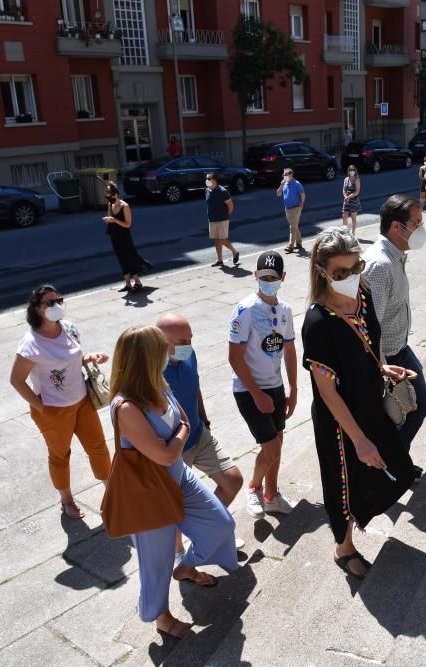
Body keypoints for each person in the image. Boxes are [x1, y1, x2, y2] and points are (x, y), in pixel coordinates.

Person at [301, 227, 417, 579]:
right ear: (321, 271)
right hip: (340, 420)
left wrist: (380, 368)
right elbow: (327, 392)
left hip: (371, 401)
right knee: (343, 481)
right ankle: (344, 546)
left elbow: (363, 345)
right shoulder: (317, 323)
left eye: (357, 267)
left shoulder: (363, 295)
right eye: (341, 272)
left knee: (400, 467)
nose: (352, 277)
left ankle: (361, 516)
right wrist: (359, 439)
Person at [111, 325, 237, 639]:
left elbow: (182, 422)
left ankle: (184, 568)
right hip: (149, 493)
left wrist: (176, 439)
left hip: (179, 478)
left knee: (220, 524)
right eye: (163, 349)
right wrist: (179, 437)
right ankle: (161, 618)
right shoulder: (126, 407)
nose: (170, 353)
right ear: (147, 358)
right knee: (156, 561)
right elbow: (166, 452)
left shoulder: (159, 382)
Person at [9, 284, 112, 519]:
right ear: (36, 309)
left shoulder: (70, 328)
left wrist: (90, 357)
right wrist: (41, 408)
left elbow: (75, 358)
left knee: (98, 448)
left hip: (83, 401)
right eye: (50, 302)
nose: (56, 306)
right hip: (54, 410)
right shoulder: (31, 344)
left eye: (59, 300)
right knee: (60, 455)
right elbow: (16, 380)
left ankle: (112, 490)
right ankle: (66, 500)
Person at [159, 312, 247, 556]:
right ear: (162, 342)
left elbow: (195, 387)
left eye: (190, 339)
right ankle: (179, 553)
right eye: (182, 342)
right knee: (174, 506)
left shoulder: (189, 355)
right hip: (173, 449)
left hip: (198, 434)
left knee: (232, 480)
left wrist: (204, 419)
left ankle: (210, 531)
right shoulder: (151, 371)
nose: (189, 346)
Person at [228, 251, 299, 520]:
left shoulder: (285, 310)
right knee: (272, 447)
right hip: (249, 390)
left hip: (275, 387)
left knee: (278, 440)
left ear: (283, 278)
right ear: (255, 276)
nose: (269, 281)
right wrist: (256, 394)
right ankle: (254, 488)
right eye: (264, 277)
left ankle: (272, 495)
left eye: (274, 277)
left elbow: (290, 351)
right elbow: (234, 357)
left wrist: (293, 390)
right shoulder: (245, 310)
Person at [363, 194, 426, 458]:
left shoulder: (395, 257)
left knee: (415, 407)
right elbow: (370, 327)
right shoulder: (380, 265)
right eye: (416, 223)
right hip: (390, 357)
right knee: (411, 408)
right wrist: (382, 367)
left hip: (400, 348)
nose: (420, 230)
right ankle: (392, 462)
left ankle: (394, 460)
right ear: (396, 226)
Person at [103, 181, 150, 292]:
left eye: (109, 196)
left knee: (130, 258)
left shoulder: (125, 206)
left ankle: (138, 282)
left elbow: (128, 224)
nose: (108, 199)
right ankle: (128, 284)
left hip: (124, 236)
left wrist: (114, 220)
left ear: (115, 194)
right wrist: (108, 219)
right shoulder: (110, 204)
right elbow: (110, 218)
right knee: (121, 259)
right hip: (114, 235)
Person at [205, 173, 240, 268]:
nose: (207, 180)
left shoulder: (223, 192)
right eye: (206, 178)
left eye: (209, 178)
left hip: (222, 220)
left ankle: (234, 252)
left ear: (214, 180)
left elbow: (230, 205)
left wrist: (226, 216)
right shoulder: (207, 191)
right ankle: (220, 260)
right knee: (217, 240)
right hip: (212, 219)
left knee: (221, 239)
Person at [277, 168, 306, 254]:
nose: (285, 177)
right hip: (287, 208)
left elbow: (303, 195)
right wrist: (281, 185)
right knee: (294, 226)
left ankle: (290, 246)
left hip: (296, 208)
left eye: (286, 175)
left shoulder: (297, 184)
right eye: (284, 175)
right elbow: (278, 194)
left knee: (292, 228)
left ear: (291, 175)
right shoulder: (284, 184)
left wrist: (301, 205)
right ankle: (299, 243)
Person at [341, 166, 362, 234]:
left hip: (354, 200)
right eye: (350, 170)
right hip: (346, 200)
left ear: (355, 171)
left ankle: (353, 233)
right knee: (344, 216)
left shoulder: (356, 180)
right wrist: (345, 196)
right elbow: (344, 189)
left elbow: (357, 191)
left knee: (353, 217)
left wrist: (349, 197)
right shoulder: (346, 179)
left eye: (353, 170)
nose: (351, 171)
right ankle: (345, 232)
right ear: (348, 171)